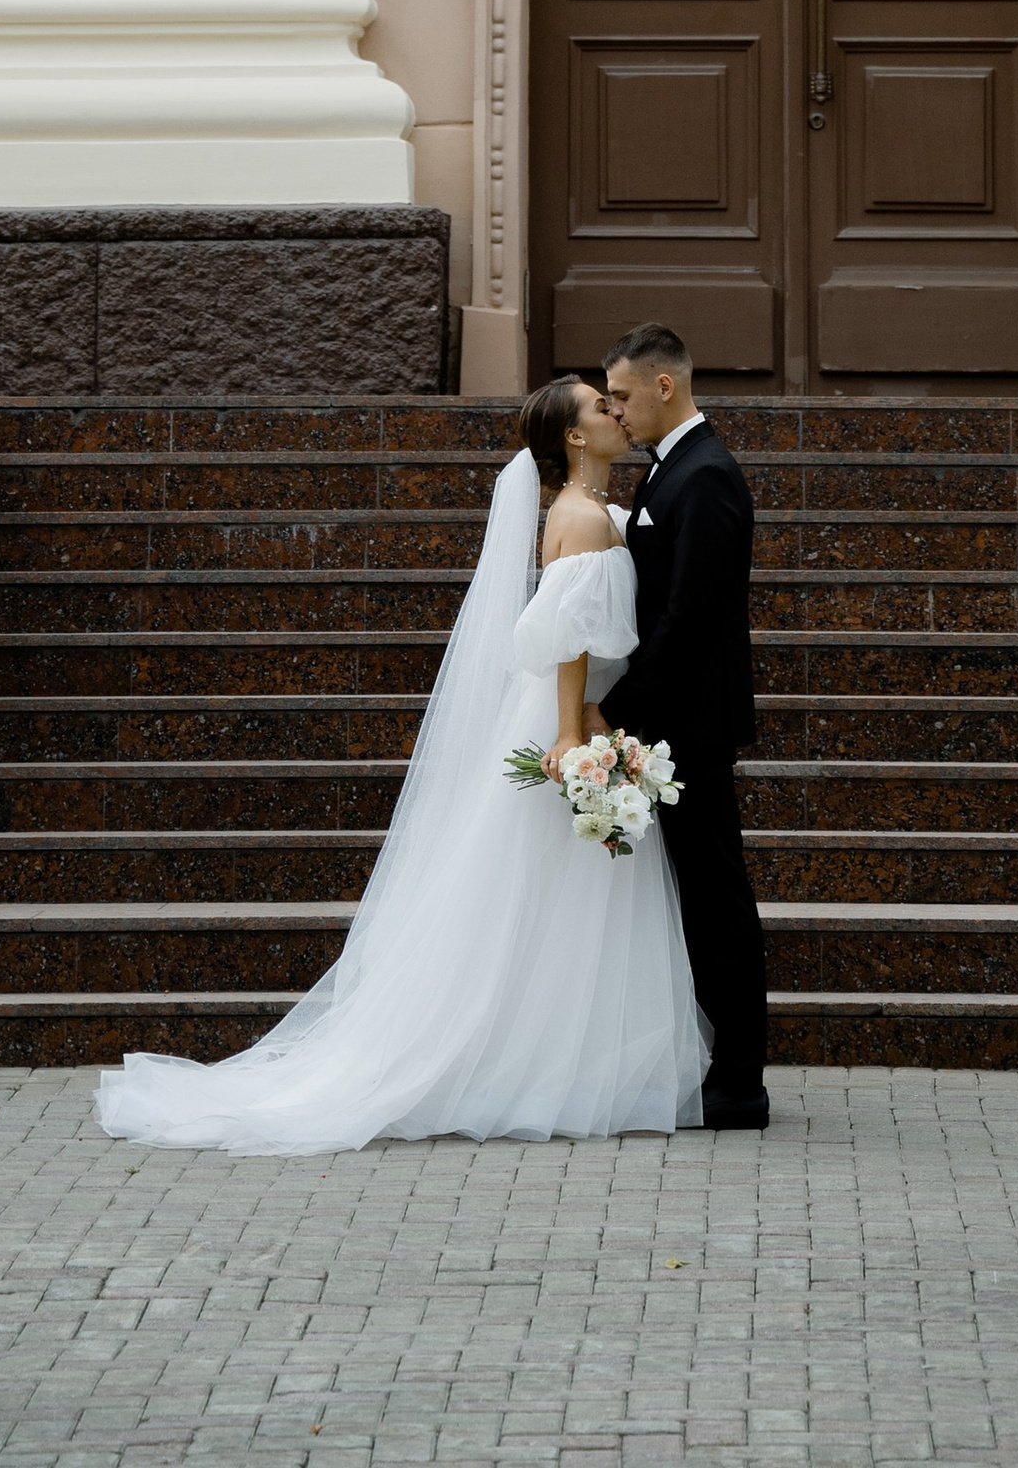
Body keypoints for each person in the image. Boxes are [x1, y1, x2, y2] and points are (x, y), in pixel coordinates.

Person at [93, 373, 704, 1152]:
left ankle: (553, 1059)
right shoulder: (583, 519)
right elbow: (571, 642)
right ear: (575, 437)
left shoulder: (590, 510)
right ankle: (538, 1064)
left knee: (549, 896)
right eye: (599, 406)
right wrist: (571, 736)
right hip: (569, 717)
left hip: (583, 713)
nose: (617, 412)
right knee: (548, 894)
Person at [599, 324, 770, 1131]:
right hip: (671, 720)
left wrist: (618, 709)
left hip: (690, 725)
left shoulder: (705, 475)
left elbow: (691, 615)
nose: (616, 411)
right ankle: (719, 1065)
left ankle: (739, 1080)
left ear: (663, 386)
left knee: (714, 897)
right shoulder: (674, 469)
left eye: (623, 395)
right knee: (699, 894)